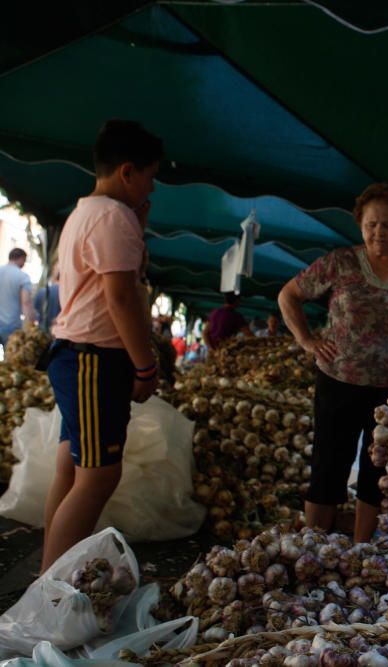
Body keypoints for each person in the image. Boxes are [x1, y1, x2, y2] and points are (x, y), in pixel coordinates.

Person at [278, 183, 388, 542]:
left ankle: (361, 549)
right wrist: (307, 340)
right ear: (360, 226)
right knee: (327, 466)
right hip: (338, 380)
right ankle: (314, 545)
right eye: (371, 225)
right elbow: (288, 295)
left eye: (387, 224)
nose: (378, 232)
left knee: (376, 470)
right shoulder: (340, 263)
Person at [41, 119, 162, 571]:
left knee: (72, 469)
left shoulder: (87, 212)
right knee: (98, 476)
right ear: (127, 171)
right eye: (150, 176)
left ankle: (45, 580)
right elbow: (121, 296)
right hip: (94, 357)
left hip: (76, 354)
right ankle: (51, 593)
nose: (151, 187)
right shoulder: (113, 216)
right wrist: (145, 365)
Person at [0, 248, 35, 347]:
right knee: (11, 359)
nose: (24, 264)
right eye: (24, 261)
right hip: (11, 325)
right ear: (21, 259)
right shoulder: (22, 277)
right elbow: (26, 303)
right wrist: (29, 327)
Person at [33, 268, 60, 333]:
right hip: (58, 332)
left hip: (41, 332)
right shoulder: (66, 295)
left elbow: (35, 312)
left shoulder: (41, 292)